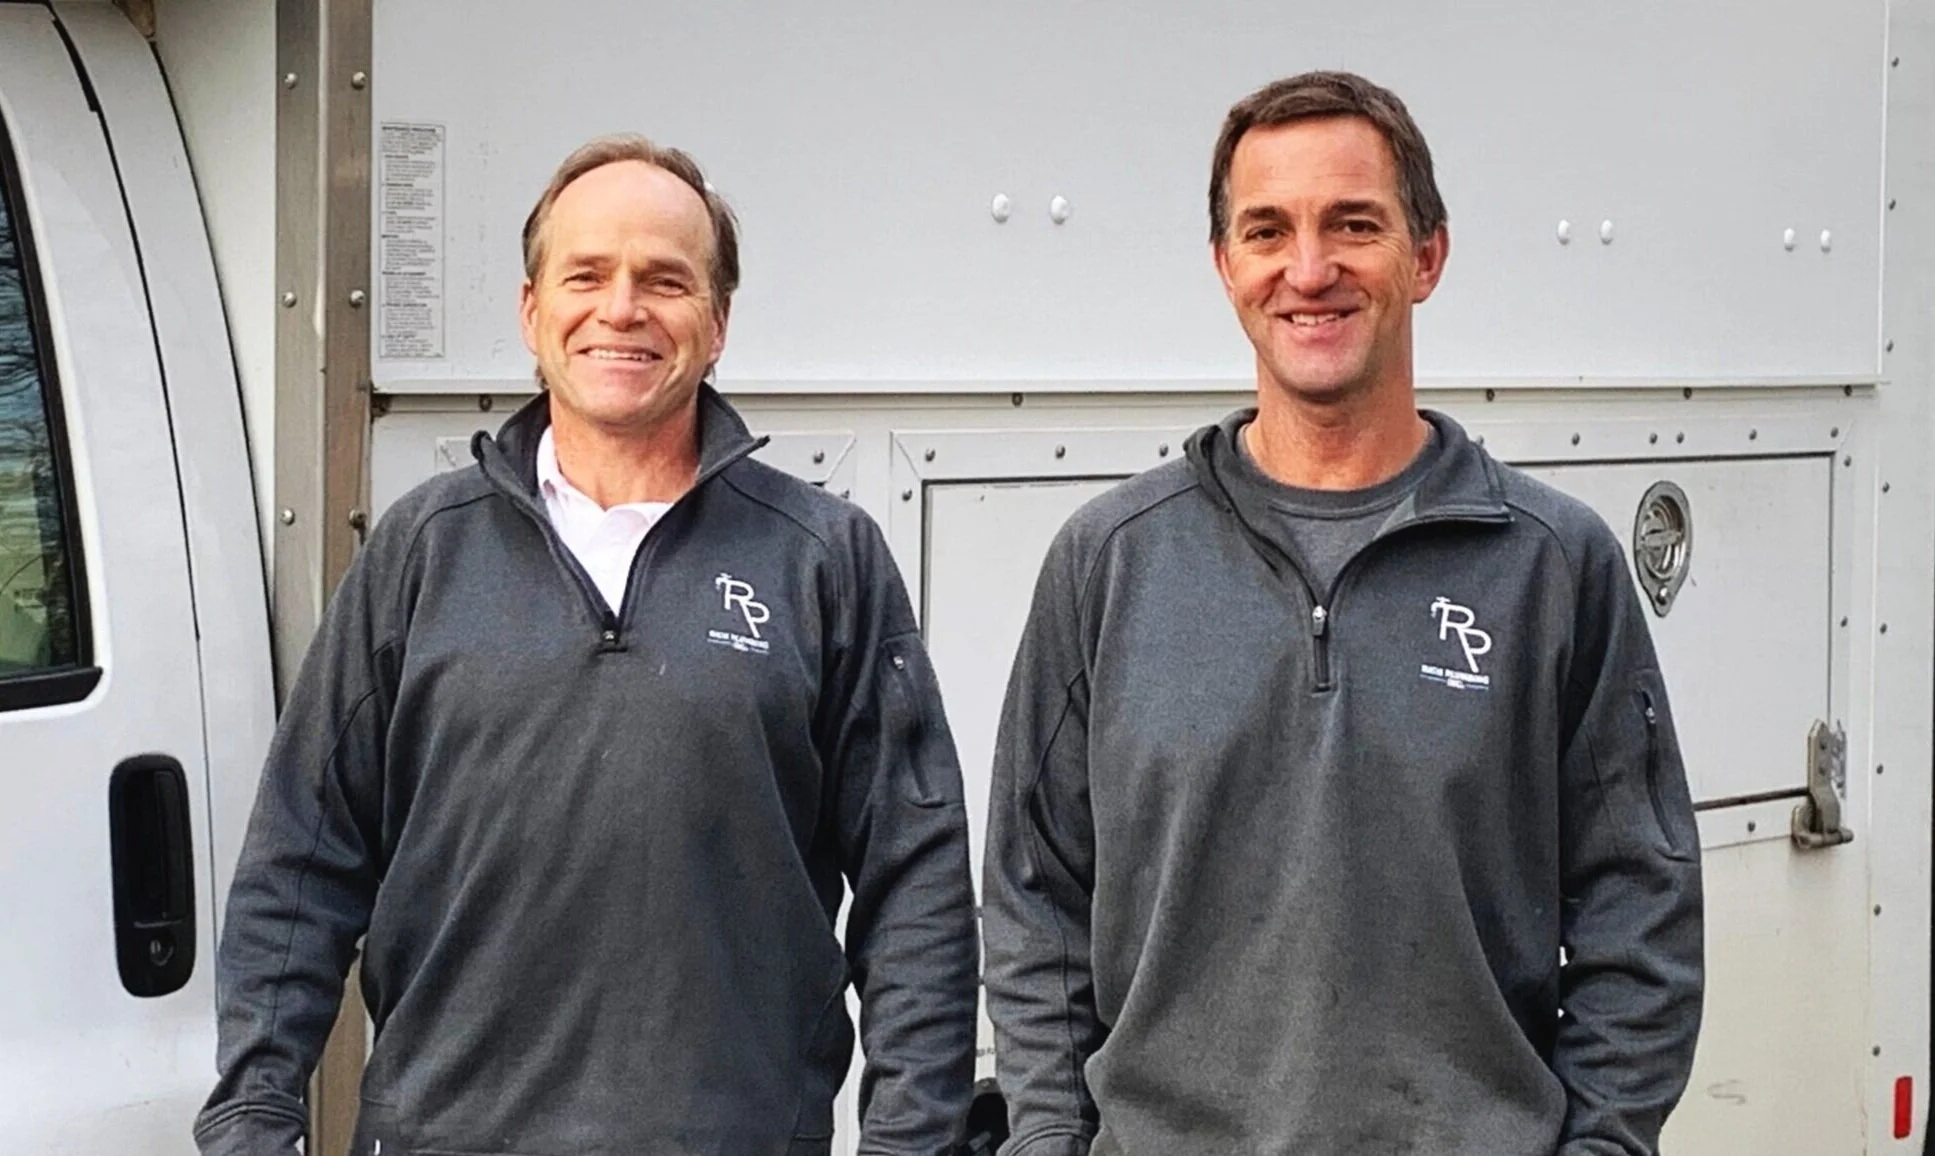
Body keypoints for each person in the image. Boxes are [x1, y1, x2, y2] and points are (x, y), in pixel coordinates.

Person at [195, 135, 978, 1156]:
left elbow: (915, 887)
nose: (621, 308)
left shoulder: (822, 559)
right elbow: (301, 860)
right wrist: (252, 1116)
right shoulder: (421, 551)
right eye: (586, 275)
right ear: (532, 311)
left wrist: (910, 1140)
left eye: (666, 280)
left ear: (718, 322)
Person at [982, 71, 1703, 1156]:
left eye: (1354, 225)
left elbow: (1640, 908)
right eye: (1267, 230)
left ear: (1428, 256)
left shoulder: (1553, 565)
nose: (1309, 269)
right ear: (1225, 267)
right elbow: (1033, 898)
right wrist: (1047, 1139)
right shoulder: (1110, 561)